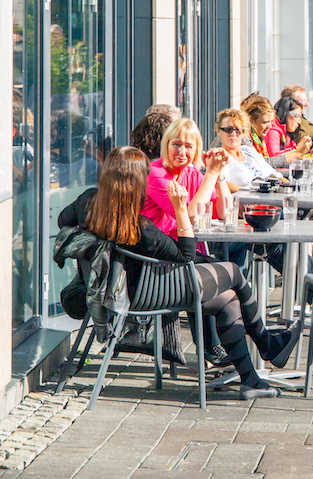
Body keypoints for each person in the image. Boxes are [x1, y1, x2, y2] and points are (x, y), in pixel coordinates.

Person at [59, 146, 298, 400]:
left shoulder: (87, 202)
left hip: (118, 289)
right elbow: (186, 256)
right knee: (234, 273)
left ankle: (251, 379)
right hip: (151, 293)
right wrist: (180, 208)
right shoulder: (140, 228)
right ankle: (267, 345)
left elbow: (63, 221)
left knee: (228, 298)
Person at [216, 109, 283, 192]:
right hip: (245, 202)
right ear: (218, 131)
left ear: (244, 133)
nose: (233, 134)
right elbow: (220, 184)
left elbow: (275, 175)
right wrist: (251, 192)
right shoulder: (220, 157)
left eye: (238, 130)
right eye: (228, 129)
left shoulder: (248, 151)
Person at [240, 93, 276, 159]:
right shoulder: (243, 137)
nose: (270, 126)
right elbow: (261, 162)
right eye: (265, 122)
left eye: (271, 121)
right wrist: (296, 154)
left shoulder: (258, 138)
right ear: (251, 120)